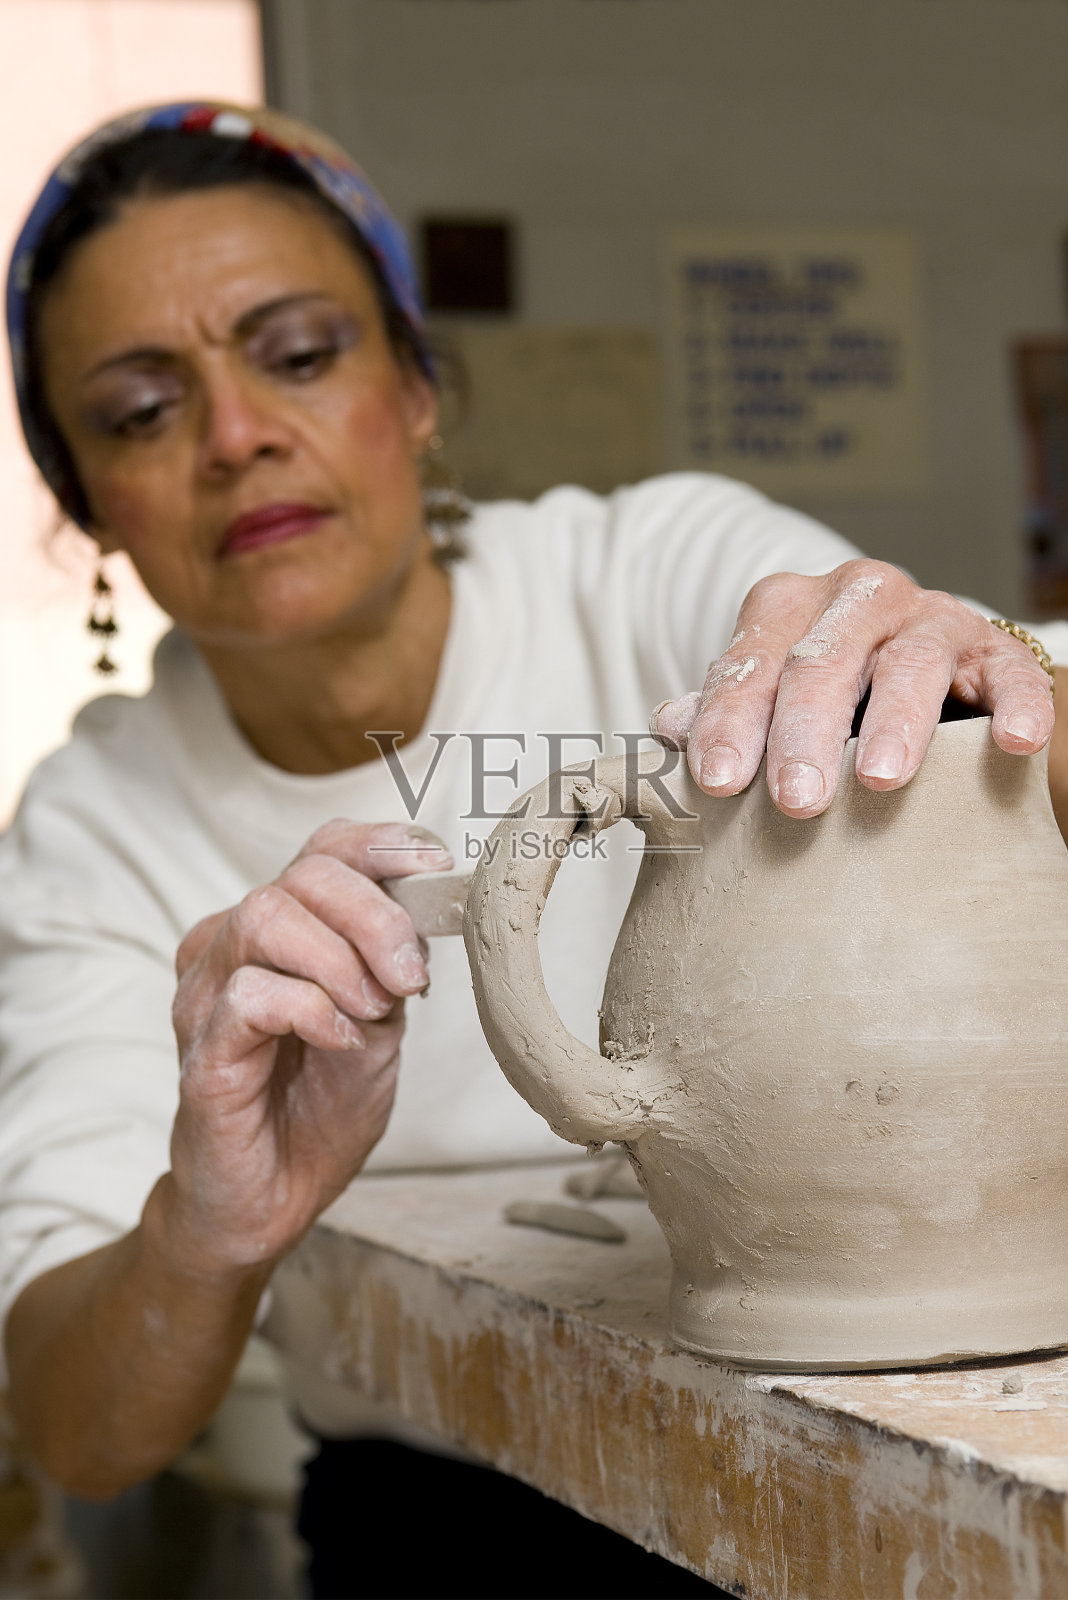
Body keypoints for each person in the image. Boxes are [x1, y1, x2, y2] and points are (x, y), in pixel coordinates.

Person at [0, 101, 1063, 1599]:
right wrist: (206, 1224)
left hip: (860, 1432)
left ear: (420, 387)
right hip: (440, 1512)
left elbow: (957, 710)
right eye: (138, 410)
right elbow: (75, 1429)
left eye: (299, 354)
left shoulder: (647, 569)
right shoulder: (96, 824)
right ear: (82, 505)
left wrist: (993, 664)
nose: (238, 436)